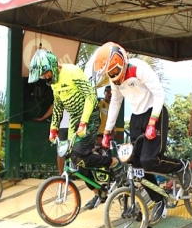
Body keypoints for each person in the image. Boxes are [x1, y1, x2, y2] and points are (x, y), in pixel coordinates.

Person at [93, 42, 192, 222]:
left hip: (155, 112)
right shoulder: (115, 80)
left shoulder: (140, 68)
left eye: (115, 72)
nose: (114, 77)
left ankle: (180, 166)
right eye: (110, 74)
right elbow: (115, 103)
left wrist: (153, 121)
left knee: (149, 160)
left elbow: (159, 93)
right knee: (137, 165)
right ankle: (159, 200)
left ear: (122, 62)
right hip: (137, 119)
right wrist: (107, 132)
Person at [28, 49, 124, 211]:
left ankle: (113, 162)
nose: (45, 77)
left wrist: (84, 122)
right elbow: (58, 105)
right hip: (74, 119)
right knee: (74, 161)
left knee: (79, 154)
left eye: (45, 73)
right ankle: (98, 192)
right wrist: (53, 128)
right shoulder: (54, 83)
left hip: (90, 117)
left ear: (52, 65)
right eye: (43, 75)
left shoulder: (72, 72)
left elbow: (91, 97)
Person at [34, 101, 70, 175]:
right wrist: (42, 118)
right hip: (64, 127)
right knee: (61, 151)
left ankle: (72, 173)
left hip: (75, 127)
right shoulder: (63, 94)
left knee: (75, 151)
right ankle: (61, 174)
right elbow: (54, 106)